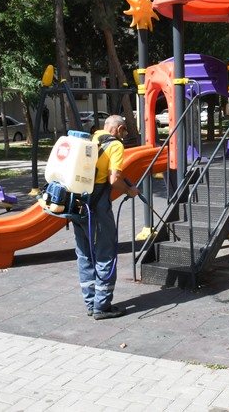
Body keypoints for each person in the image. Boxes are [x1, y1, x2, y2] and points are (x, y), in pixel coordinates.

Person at [71, 115, 139, 320]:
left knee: (84, 254)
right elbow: (114, 179)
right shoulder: (115, 145)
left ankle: (91, 303)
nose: (124, 135)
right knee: (105, 253)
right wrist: (129, 190)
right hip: (97, 208)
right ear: (119, 129)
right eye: (125, 131)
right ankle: (102, 306)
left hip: (77, 205)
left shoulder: (90, 140)